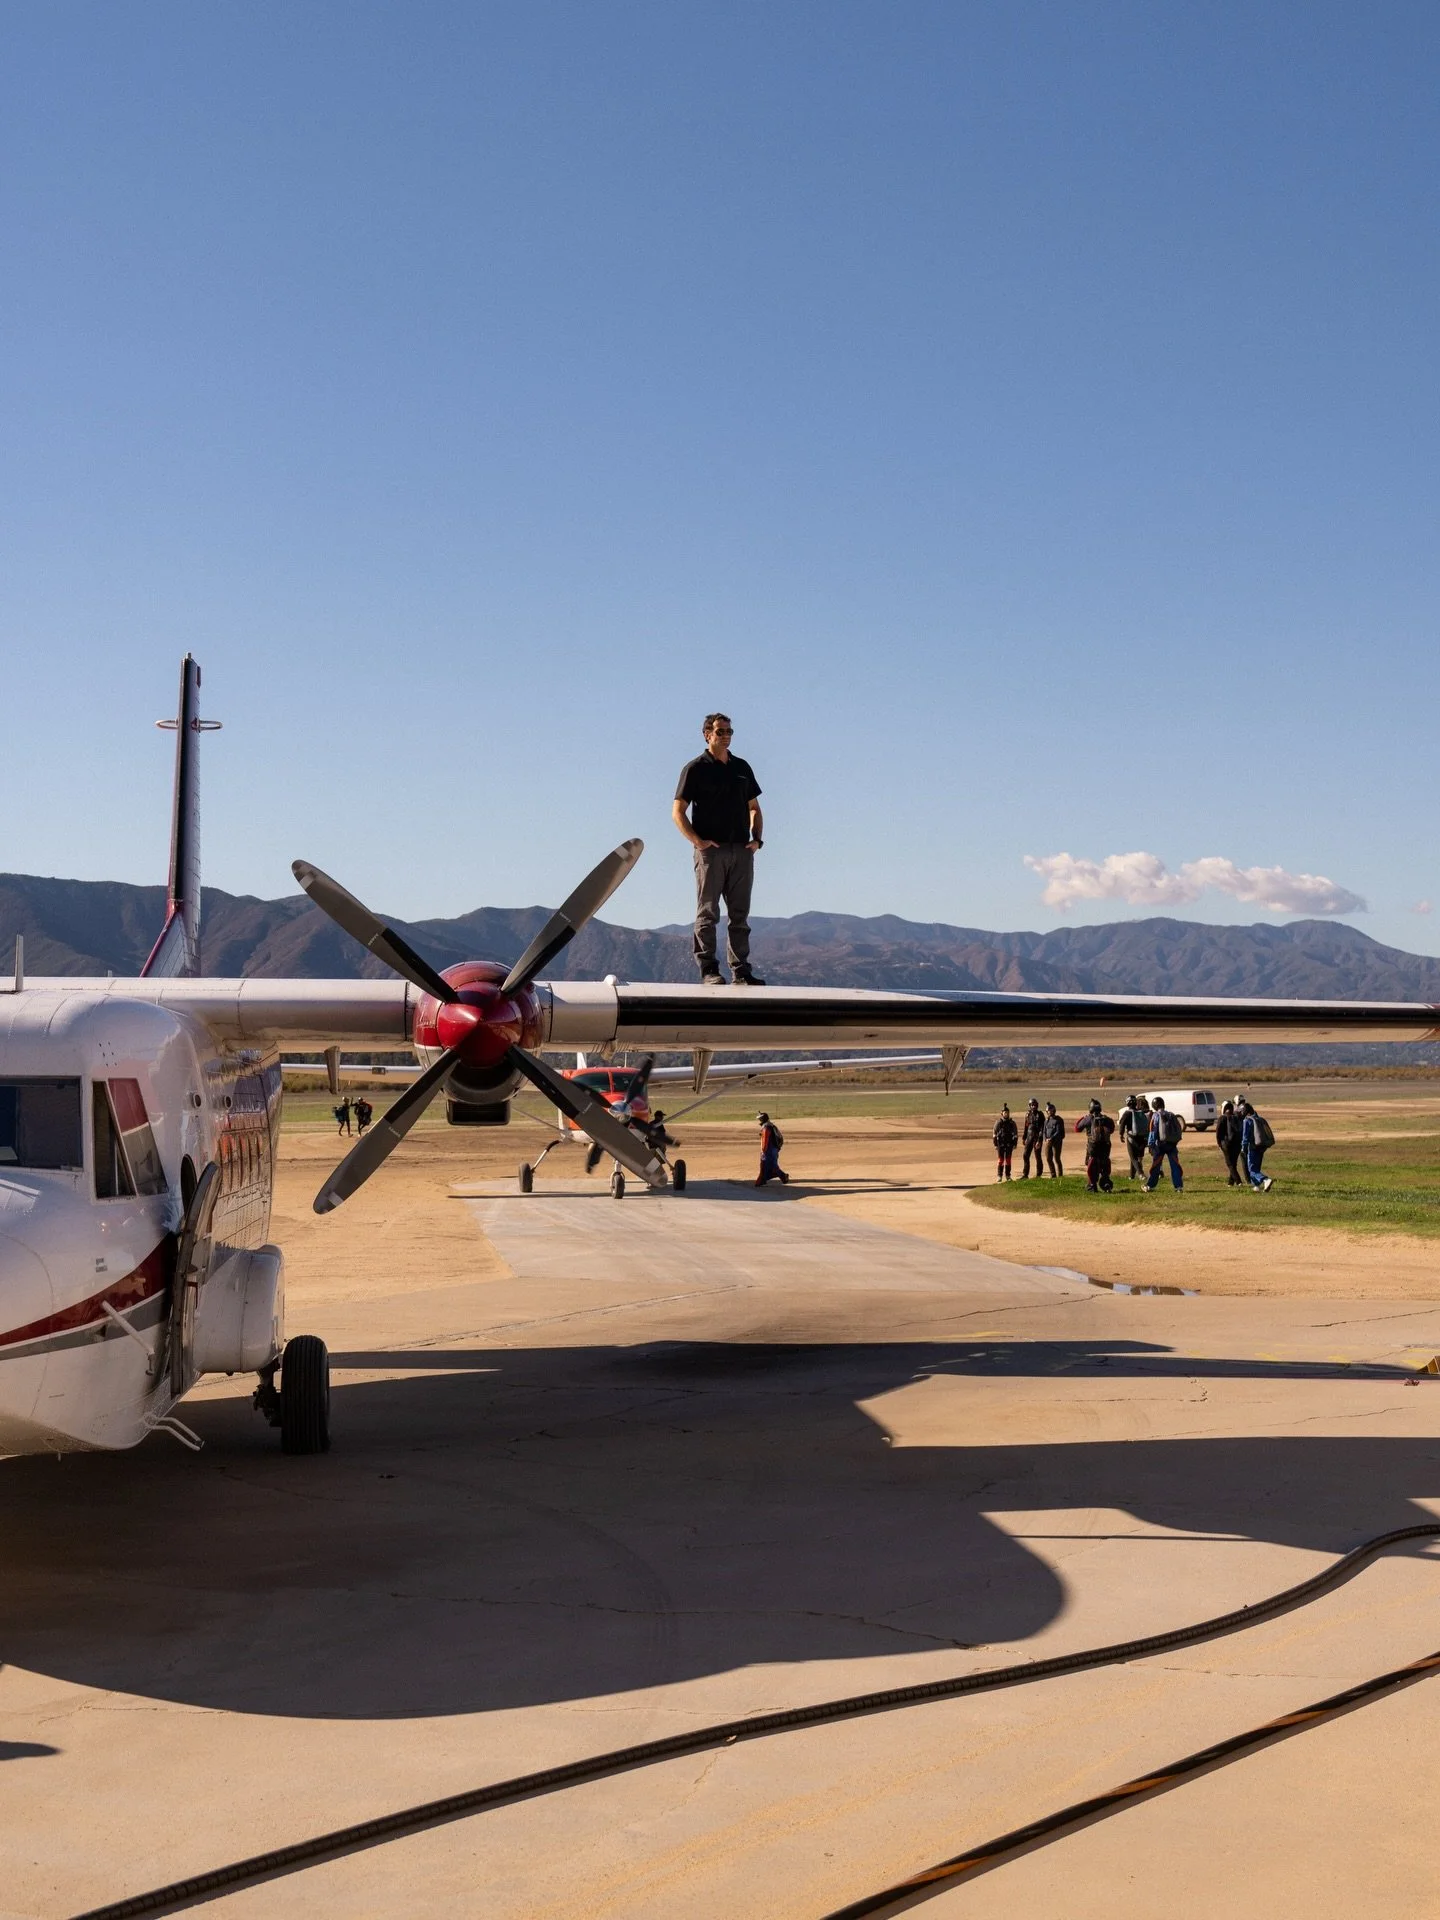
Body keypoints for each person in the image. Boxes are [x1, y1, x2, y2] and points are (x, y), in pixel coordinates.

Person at [673, 713, 765, 987]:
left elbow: (755, 808)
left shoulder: (741, 767)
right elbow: (678, 811)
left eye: (729, 731)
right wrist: (697, 841)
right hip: (711, 853)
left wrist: (757, 840)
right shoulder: (695, 768)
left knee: (740, 915)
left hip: (741, 851)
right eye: (720, 731)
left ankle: (741, 971)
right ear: (707, 735)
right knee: (708, 913)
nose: (726, 735)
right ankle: (709, 970)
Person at [1143, 1096, 1184, 1192]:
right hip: (1172, 1145)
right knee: (1175, 1165)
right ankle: (1178, 1187)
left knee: (1156, 1166)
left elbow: (1153, 1131)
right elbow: (1178, 1129)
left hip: (1160, 1146)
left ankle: (1150, 1186)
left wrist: (1151, 1145)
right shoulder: (1171, 1115)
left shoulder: (1155, 1116)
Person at [1075, 1099, 1116, 1192]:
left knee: (1091, 1165)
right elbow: (1112, 1130)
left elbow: (1077, 1128)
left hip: (1092, 1147)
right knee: (1105, 1164)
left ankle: (1092, 1186)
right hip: (1106, 1147)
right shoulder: (1106, 1118)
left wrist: (1083, 1118)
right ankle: (1106, 1184)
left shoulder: (1088, 1118)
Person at [1238, 1097, 1275, 1191]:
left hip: (1252, 1147)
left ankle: (1266, 1180)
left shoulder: (1247, 1120)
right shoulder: (1259, 1118)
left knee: (1252, 1169)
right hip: (1261, 1147)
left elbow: (1245, 1137)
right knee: (1256, 1167)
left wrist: (1243, 1148)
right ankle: (1256, 1186)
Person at [1118, 1095, 1149, 1181]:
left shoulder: (1127, 1113)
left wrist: (1121, 1135)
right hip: (1142, 1138)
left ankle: (1141, 1174)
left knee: (1133, 1158)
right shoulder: (1140, 1112)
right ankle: (1131, 1176)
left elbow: (1122, 1124)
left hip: (1132, 1138)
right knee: (1136, 1158)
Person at [1216, 1099, 1244, 1186]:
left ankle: (1238, 1181)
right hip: (1238, 1144)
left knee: (1230, 1164)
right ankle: (1230, 1183)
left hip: (1226, 1144)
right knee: (1233, 1163)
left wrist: (1220, 1144)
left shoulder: (1222, 1118)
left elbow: (1218, 1133)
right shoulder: (1237, 1117)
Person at [756, 1112, 789, 1186]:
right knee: (771, 1166)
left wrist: (763, 1151)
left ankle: (782, 1177)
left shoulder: (766, 1127)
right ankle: (763, 1180)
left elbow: (765, 1140)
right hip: (773, 1150)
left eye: (760, 1119)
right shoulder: (771, 1125)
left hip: (768, 1150)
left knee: (769, 1166)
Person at [992, 1103, 1018, 1181]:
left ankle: (1008, 1176)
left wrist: (1015, 1143)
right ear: (1002, 1113)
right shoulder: (998, 1123)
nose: (1006, 1114)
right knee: (1000, 1160)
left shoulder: (1012, 1123)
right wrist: (995, 1144)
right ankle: (999, 1176)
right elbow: (994, 1134)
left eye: (1007, 1113)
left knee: (1008, 1160)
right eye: (1004, 1113)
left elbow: (1015, 1134)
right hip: (1001, 1144)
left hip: (1009, 1144)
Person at [1020, 1098, 1045, 1179]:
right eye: (1032, 1105)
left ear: (1037, 1105)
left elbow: (1042, 1128)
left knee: (1038, 1156)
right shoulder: (1027, 1114)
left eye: (1034, 1105)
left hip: (1037, 1137)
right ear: (1029, 1106)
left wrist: (1039, 1140)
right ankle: (1025, 1174)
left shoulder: (1040, 1114)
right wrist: (1024, 1138)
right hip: (1029, 1137)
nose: (1033, 1106)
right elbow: (1026, 1127)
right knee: (1025, 1155)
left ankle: (1039, 1174)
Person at [1042, 1102, 1065, 1177]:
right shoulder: (1046, 1120)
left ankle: (1060, 1175)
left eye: (1049, 1110)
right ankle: (1053, 1174)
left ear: (1053, 1110)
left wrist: (1051, 1138)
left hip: (1056, 1142)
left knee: (1057, 1159)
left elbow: (1058, 1131)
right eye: (1047, 1111)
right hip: (1048, 1142)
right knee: (1048, 1158)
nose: (1048, 1112)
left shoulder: (1058, 1120)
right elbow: (1044, 1131)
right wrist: (1045, 1138)